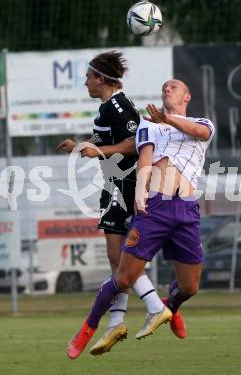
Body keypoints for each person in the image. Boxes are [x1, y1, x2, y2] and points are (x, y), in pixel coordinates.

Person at [66, 78, 215, 357]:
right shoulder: (149, 124)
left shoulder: (202, 122)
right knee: (122, 278)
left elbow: (200, 132)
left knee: (190, 286)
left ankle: (168, 305)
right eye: (164, 88)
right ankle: (87, 328)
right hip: (155, 208)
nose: (166, 89)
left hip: (186, 210)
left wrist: (168, 119)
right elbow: (145, 160)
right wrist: (139, 193)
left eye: (173, 86)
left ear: (187, 95)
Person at [58, 52, 179, 360]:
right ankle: (117, 321)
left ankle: (154, 307)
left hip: (122, 184)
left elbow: (132, 143)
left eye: (88, 77)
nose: (85, 82)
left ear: (101, 79)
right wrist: (82, 145)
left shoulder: (118, 105)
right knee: (120, 261)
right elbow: (110, 140)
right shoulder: (106, 108)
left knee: (117, 256)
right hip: (116, 183)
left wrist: (98, 151)